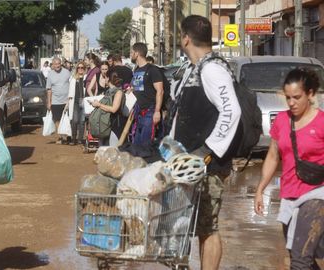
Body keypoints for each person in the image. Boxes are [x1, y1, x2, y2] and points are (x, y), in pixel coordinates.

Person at [167, 15, 241, 270]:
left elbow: (232, 110)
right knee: (195, 226)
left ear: (186, 38)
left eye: (180, 36)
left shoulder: (212, 69)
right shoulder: (194, 67)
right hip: (189, 165)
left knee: (208, 227)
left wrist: (207, 152)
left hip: (206, 165)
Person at [254, 68, 324, 269]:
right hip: (289, 194)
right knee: (300, 256)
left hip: (316, 195)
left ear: (310, 94)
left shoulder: (321, 122)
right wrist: (260, 189)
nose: (291, 103)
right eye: (288, 98)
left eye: (297, 97)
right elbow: (273, 156)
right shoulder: (283, 121)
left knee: (300, 262)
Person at [129, 42, 165, 145]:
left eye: (132, 52)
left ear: (137, 53)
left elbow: (160, 91)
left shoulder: (153, 70)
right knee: (136, 145)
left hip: (150, 112)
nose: (130, 55)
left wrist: (157, 111)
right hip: (138, 113)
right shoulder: (136, 70)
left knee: (146, 146)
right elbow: (136, 88)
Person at [91, 71, 125, 147]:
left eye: (105, 77)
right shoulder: (108, 91)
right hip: (105, 124)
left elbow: (114, 109)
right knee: (103, 149)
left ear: (108, 79)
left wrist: (99, 104)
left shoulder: (118, 92)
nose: (104, 79)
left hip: (115, 124)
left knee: (112, 150)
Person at [46, 57, 71, 144]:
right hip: (55, 101)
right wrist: (49, 102)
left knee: (67, 119)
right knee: (57, 120)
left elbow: (71, 85)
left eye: (58, 64)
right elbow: (49, 89)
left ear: (61, 64)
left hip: (66, 100)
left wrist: (70, 98)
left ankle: (68, 136)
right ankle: (61, 136)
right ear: (52, 65)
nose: (57, 65)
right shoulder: (50, 75)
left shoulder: (67, 72)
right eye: (55, 64)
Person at [68, 61, 87, 145]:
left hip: (84, 101)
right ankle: (73, 138)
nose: (80, 69)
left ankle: (80, 139)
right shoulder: (73, 78)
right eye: (78, 68)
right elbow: (70, 91)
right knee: (74, 120)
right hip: (75, 101)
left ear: (84, 69)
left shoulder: (86, 78)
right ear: (76, 69)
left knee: (82, 121)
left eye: (82, 68)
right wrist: (67, 102)